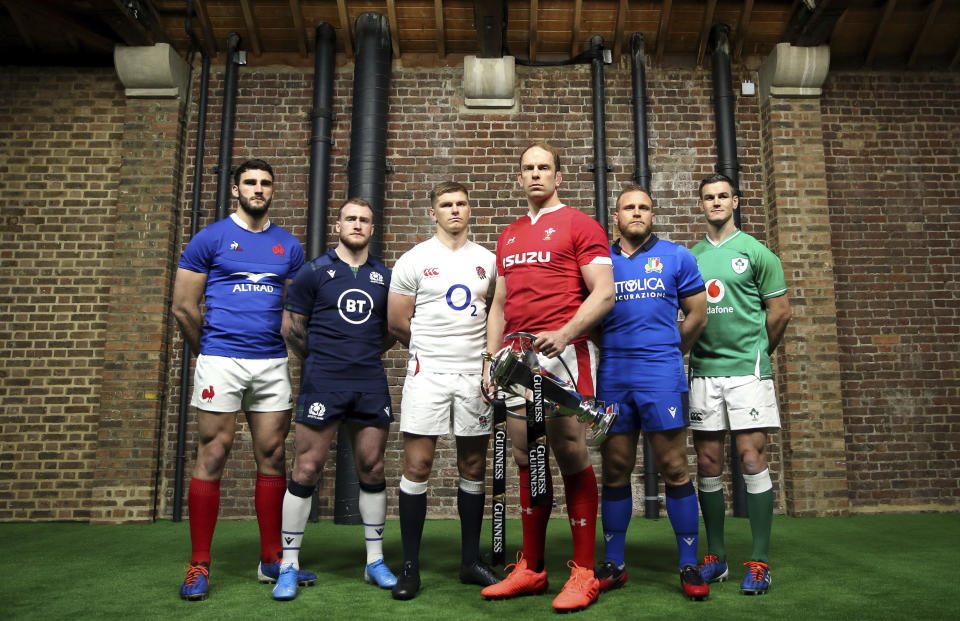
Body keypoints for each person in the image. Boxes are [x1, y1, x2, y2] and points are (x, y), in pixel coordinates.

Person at [480, 142, 614, 613]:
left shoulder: (580, 224)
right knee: (523, 454)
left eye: (544, 168)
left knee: (570, 453)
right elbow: (497, 304)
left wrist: (566, 331)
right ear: (520, 178)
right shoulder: (510, 234)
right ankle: (532, 568)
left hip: (563, 355)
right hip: (517, 360)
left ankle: (583, 573)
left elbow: (604, 293)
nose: (535, 175)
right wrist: (490, 359)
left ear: (559, 176)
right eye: (527, 169)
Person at [172, 158, 310, 601]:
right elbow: (183, 307)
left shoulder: (288, 247)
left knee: (271, 455)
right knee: (213, 453)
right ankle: (199, 565)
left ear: (273, 191)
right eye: (250, 182)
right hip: (220, 361)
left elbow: (293, 315)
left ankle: (272, 560)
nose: (258, 189)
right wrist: (209, 352)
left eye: (265, 183)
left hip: (271, 363)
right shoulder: (210, 238)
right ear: (235, 189)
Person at [270, 198, 397, 600]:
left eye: (364, 220)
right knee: (306, 468)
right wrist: (326, 358)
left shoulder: (385, 276)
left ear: (372, 228)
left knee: (373, 468)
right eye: (351, 218)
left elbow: (392, 329)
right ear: (337, 224)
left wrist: (361, 354)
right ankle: (288, 564)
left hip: (369, 381)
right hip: (324, 380)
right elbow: (291, 328)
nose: (357, 225)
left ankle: (374, 561)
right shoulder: (313, 272)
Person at [386, 181, 502, 600]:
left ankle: (470, 561)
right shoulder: (413, 260)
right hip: (427, 374)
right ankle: (411, 567)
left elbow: (497, 314)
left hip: (474, 375)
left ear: (470, 211)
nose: (455, 210)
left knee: (473, 466)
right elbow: (398, 322)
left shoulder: (488, 261)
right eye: (446, 205)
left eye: (461, 204)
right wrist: (429, 352)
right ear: (432, 213)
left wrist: (486, 363)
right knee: (417, 466)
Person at [594, 185, 709, 600]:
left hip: (661, 375)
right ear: (617, 215)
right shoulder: (600, 260)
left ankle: (689, 564)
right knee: (616, 465)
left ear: (652, 215)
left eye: (644, 207)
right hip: (613, 376)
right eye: (629, 207)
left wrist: (668, 351)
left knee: (674, 466)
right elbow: (589, 317)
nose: (637, 213)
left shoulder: (678, 257)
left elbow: (697, 315)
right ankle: (614, 561)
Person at [689, 173, 791, 596]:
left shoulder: (756, 252)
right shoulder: (689, 256)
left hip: (747, 371)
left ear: (736, 201)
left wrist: (758, 353)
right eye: (709, 197)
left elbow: (780, 311)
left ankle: (761, 560)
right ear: (702, 205)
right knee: (709, 463)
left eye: (722, 196)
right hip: (703, 370)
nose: (716, 203)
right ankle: (715, 558)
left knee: (751, 458)